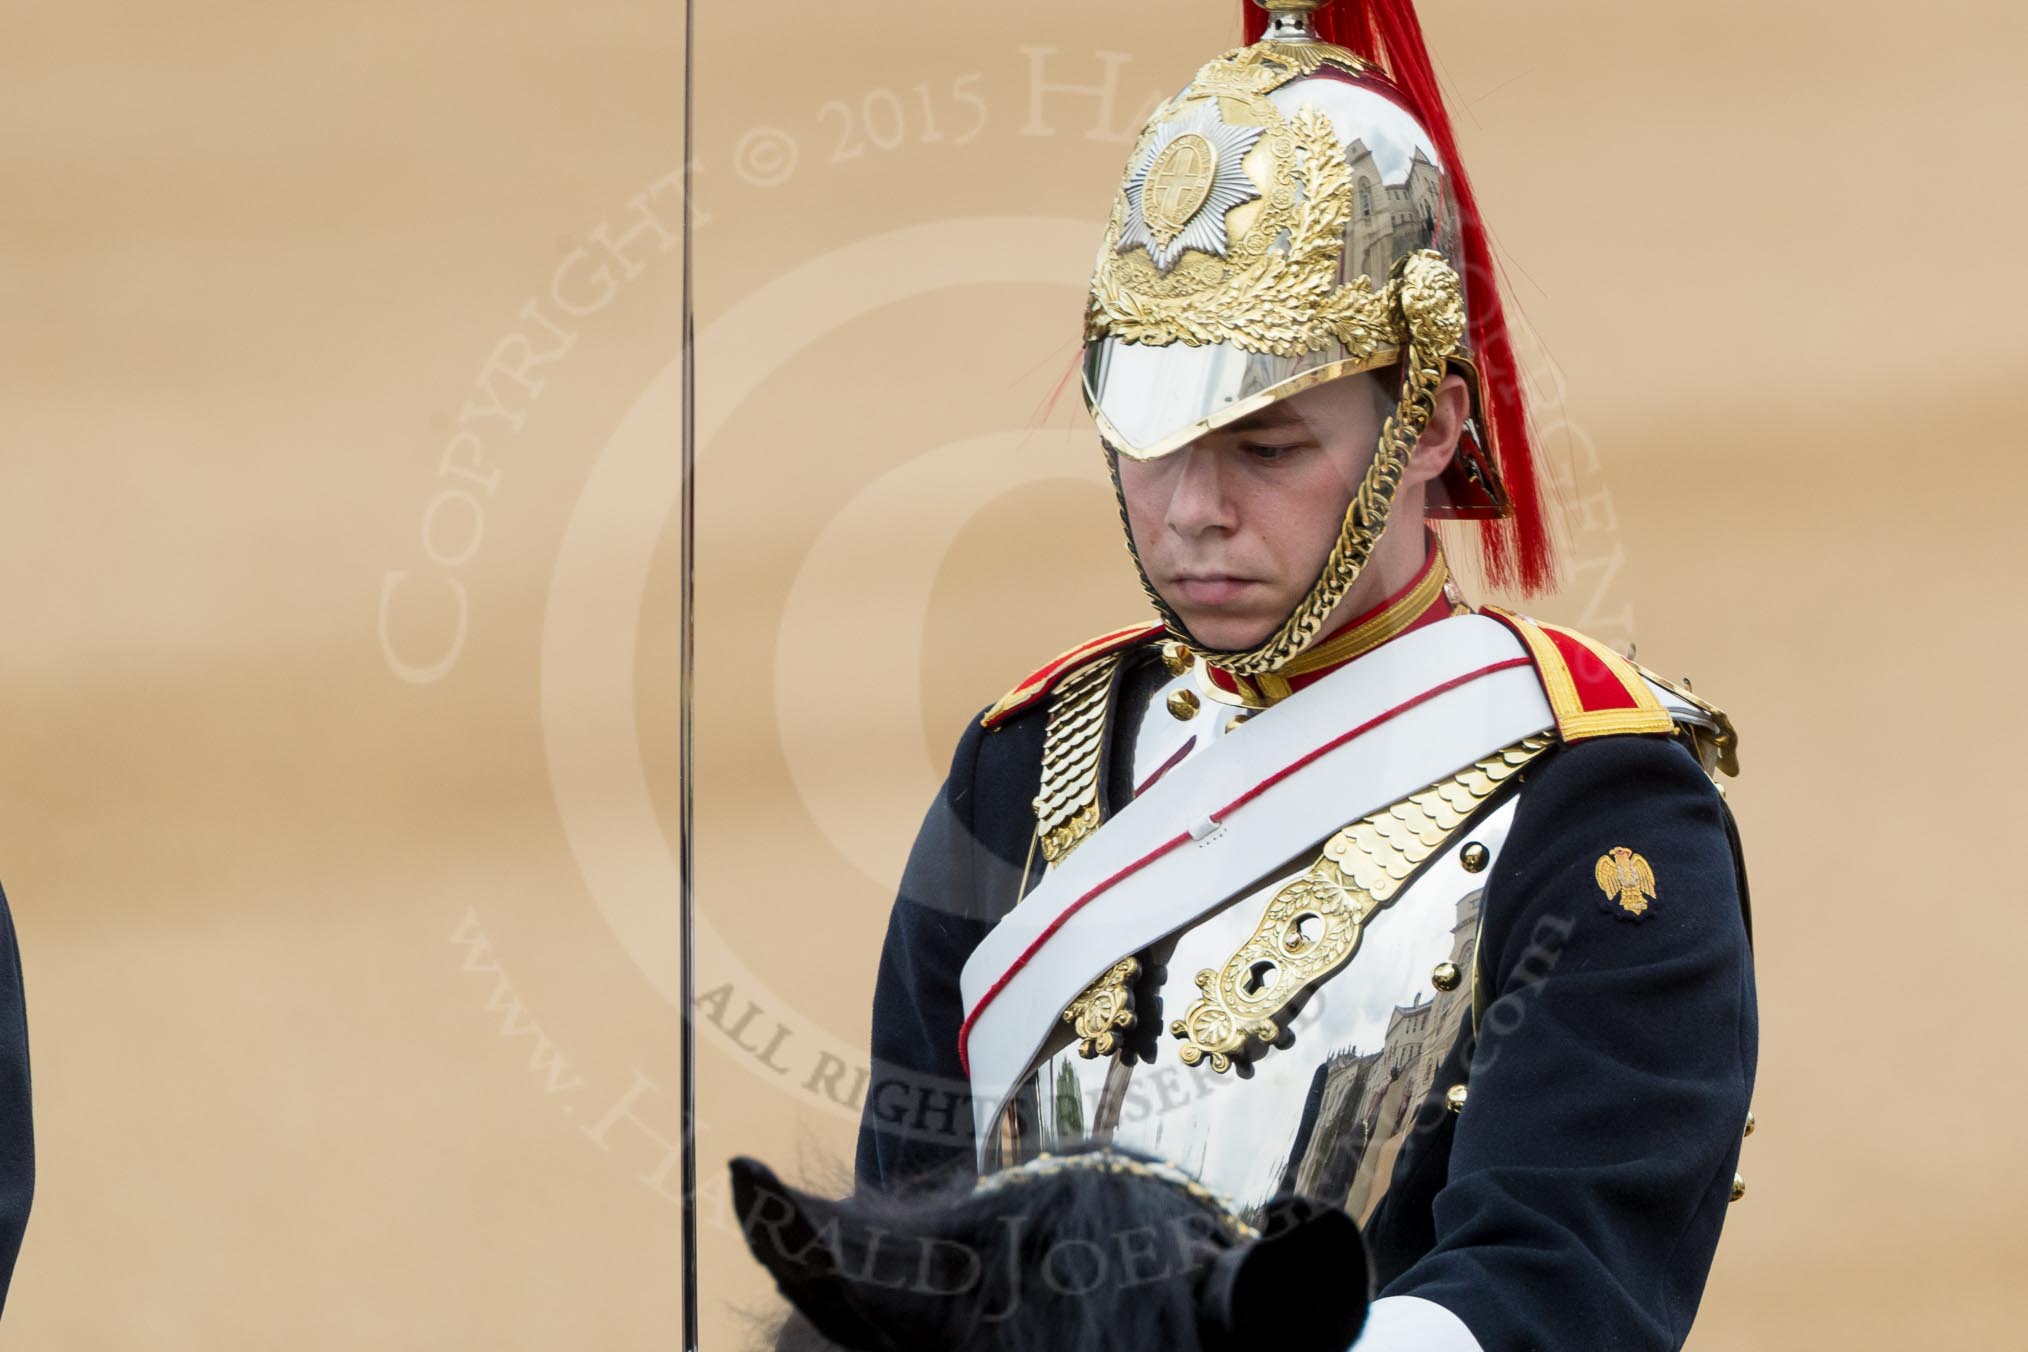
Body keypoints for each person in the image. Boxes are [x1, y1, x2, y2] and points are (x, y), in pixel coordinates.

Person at [855, 3, 1757, 1348]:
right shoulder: (1023, 760)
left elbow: (1564, 1287)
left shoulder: (1603, 803)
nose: (1191, 513)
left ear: (1431, 417)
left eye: (1266, 447)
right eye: (1151, 442)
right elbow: (912, 1213)